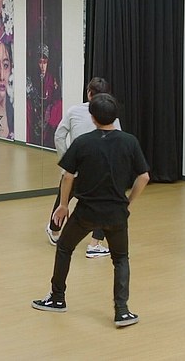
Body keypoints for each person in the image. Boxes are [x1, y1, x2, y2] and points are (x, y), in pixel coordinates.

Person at [31, 93, 150, 328]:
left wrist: (63, 205)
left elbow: (68, 176)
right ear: (114, 117)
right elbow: (144, 176)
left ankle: (57, 298)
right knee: (120, 259)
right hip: (116, 213)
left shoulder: (83, 142)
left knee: (64, 247)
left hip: (86, 212)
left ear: (93, 117)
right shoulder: (129, 141)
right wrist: (128, 202)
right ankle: (122, 311)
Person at [47, 77, 122, 258]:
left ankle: (55, 230)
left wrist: (66, 160)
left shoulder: (74, 111)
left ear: (89, 93)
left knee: (64, 198)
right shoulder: (111, 116)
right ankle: (95, 243)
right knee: (103, 203)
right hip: (100, 170)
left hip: (77, 167)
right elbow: (118, 140)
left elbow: (59, 135)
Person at [26, 43, 61, 147]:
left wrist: (49, 109)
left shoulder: (52, 79)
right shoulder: (32, 78)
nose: (42, 66)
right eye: (40, 62)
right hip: (36, 112)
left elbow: (56, 98)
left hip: (48, 112)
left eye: (44, 62)